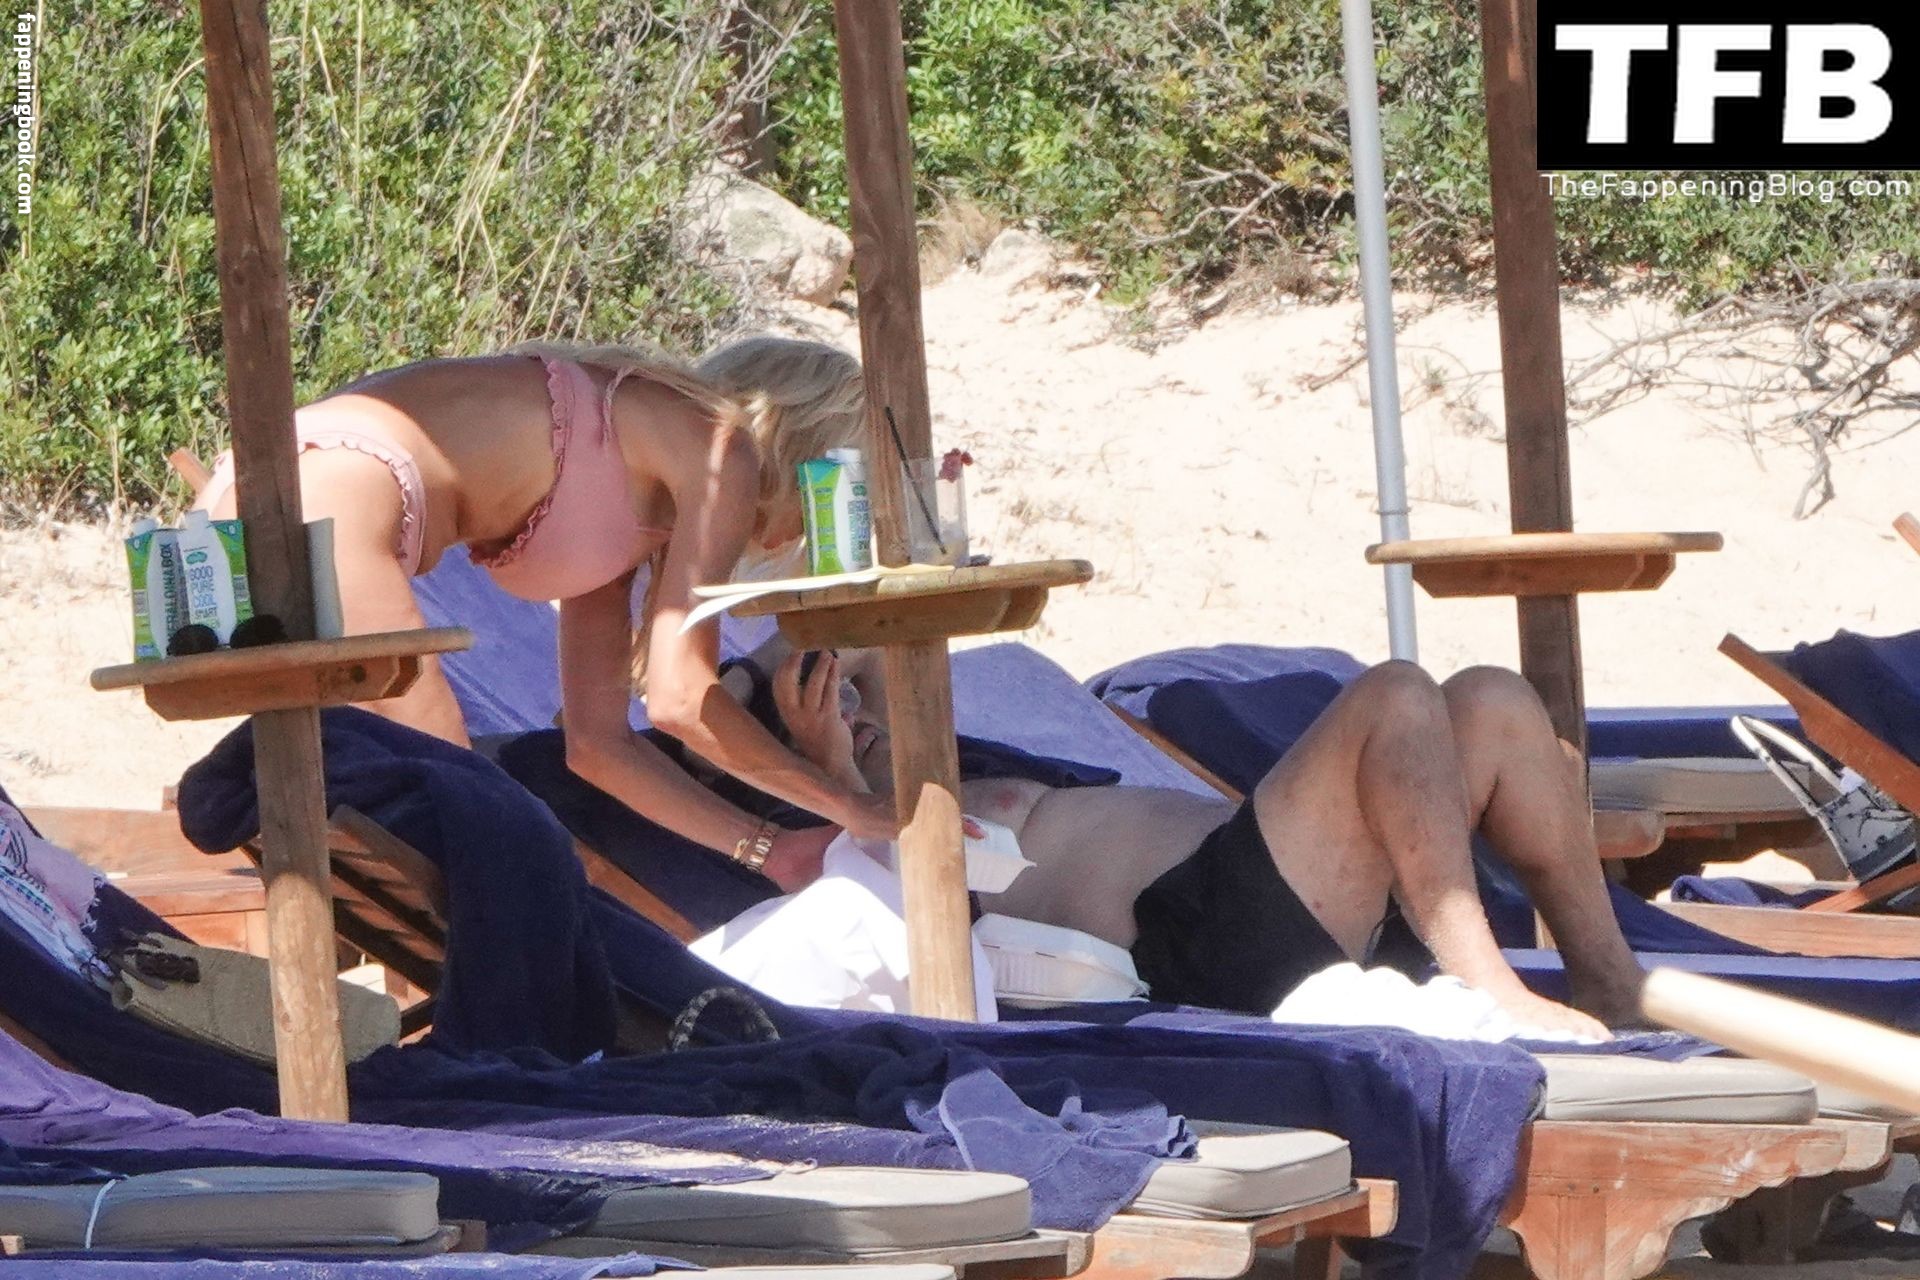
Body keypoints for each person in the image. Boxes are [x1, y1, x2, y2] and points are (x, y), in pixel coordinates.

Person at [195, 337, 892, 885]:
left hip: (251, 504)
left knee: (455, 828)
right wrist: (851, 806)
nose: (822, 520)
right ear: (806, 453)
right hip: (328, 497)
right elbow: (682, 699)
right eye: (840, 483)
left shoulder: (636, 482)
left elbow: (599, 746)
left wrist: (771, 850)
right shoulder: (720, 449)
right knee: (473, 817)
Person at [767, 650, 1645, 1040]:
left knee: (1491, 698)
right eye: (835, 715)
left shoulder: (964, 758)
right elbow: (861, 901)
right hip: (1208, 934)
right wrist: (830, 768)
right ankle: (1487, 983)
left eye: (853, 697)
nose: (854, 713)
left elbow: (875, 643)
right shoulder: (862, 829)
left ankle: (1611, 980)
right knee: (1395, 695)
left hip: (1296, 891)